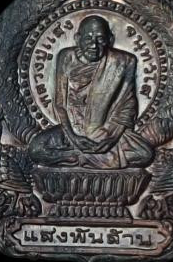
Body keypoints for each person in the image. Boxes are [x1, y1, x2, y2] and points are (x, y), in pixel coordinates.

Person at [28, 15, 154, 169]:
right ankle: (98, 158)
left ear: (110, 40)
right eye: (88, 38)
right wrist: (74, 137)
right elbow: (60, 104)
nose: (94, 45)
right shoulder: (67, 57)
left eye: (100, 39)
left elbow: (127, 105)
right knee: (36, 149)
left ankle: (79, 157)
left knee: (145, 154)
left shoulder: (125, 61)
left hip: (107, 132)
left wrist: (112, 138)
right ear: (77, 39)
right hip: (72, 130)